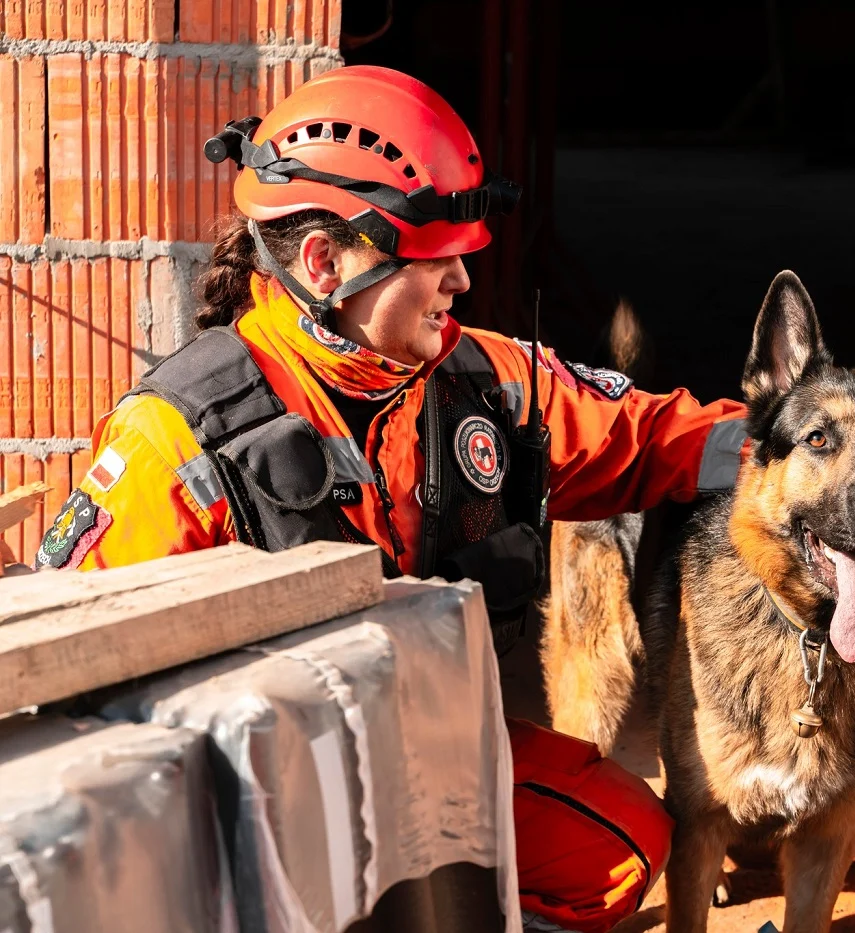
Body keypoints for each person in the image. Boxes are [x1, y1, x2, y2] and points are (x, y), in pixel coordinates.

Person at [33, 65, 747, 933]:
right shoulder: (175, 443)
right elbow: (72, 716)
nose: (462, 284)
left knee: (620, 845)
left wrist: (799, 452)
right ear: (326, 261)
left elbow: (643, 435)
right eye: (434, 258)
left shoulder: (478, 376)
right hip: (252, 807)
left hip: (410, 750)